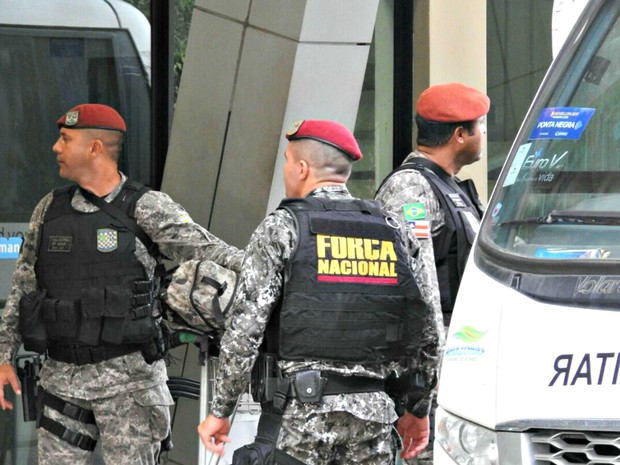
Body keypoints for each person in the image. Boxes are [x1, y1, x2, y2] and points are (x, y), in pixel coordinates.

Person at [0, 103, 244, 465]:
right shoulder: (49, 209)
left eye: (65, 139)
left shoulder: (146, 207)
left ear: (95, 148)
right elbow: (23, 286)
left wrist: (279, 271)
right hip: (61, 380)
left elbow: (214, 251)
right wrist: (4, 354)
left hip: (131, 386)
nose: (56, 147)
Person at [198, 120, 443, 465]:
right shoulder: (395, 230)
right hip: (374, 417)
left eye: (286, 161)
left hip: (299, 419)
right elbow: (427, 329)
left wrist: (221, 411)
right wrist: (418, 406)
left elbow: (244, 332)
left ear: (301, 168)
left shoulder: (283, 228)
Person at [375, 82, 490, 464]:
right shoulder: (411, 189)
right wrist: (418, 395)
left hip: (459, 366)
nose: (484, 134)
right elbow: (416, 295)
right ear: (460, 135)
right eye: (480, 126)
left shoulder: (451, 188)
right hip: (427, 383)